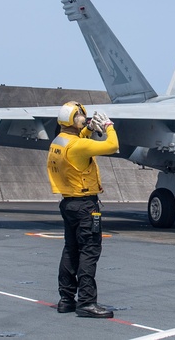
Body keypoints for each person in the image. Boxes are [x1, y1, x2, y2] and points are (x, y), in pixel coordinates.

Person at [47, 101, 119, 318]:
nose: (84, 118)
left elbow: (77, 141)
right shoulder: (78, 146)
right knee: (89, 250)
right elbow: (112, 146)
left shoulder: (58, 142)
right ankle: (87, 302)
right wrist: (108, 126)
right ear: (73, 119)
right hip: (86, 206)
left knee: (71, 250)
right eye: (81, 116)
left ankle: (66, 299)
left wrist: (88, 130)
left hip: (68, 203)